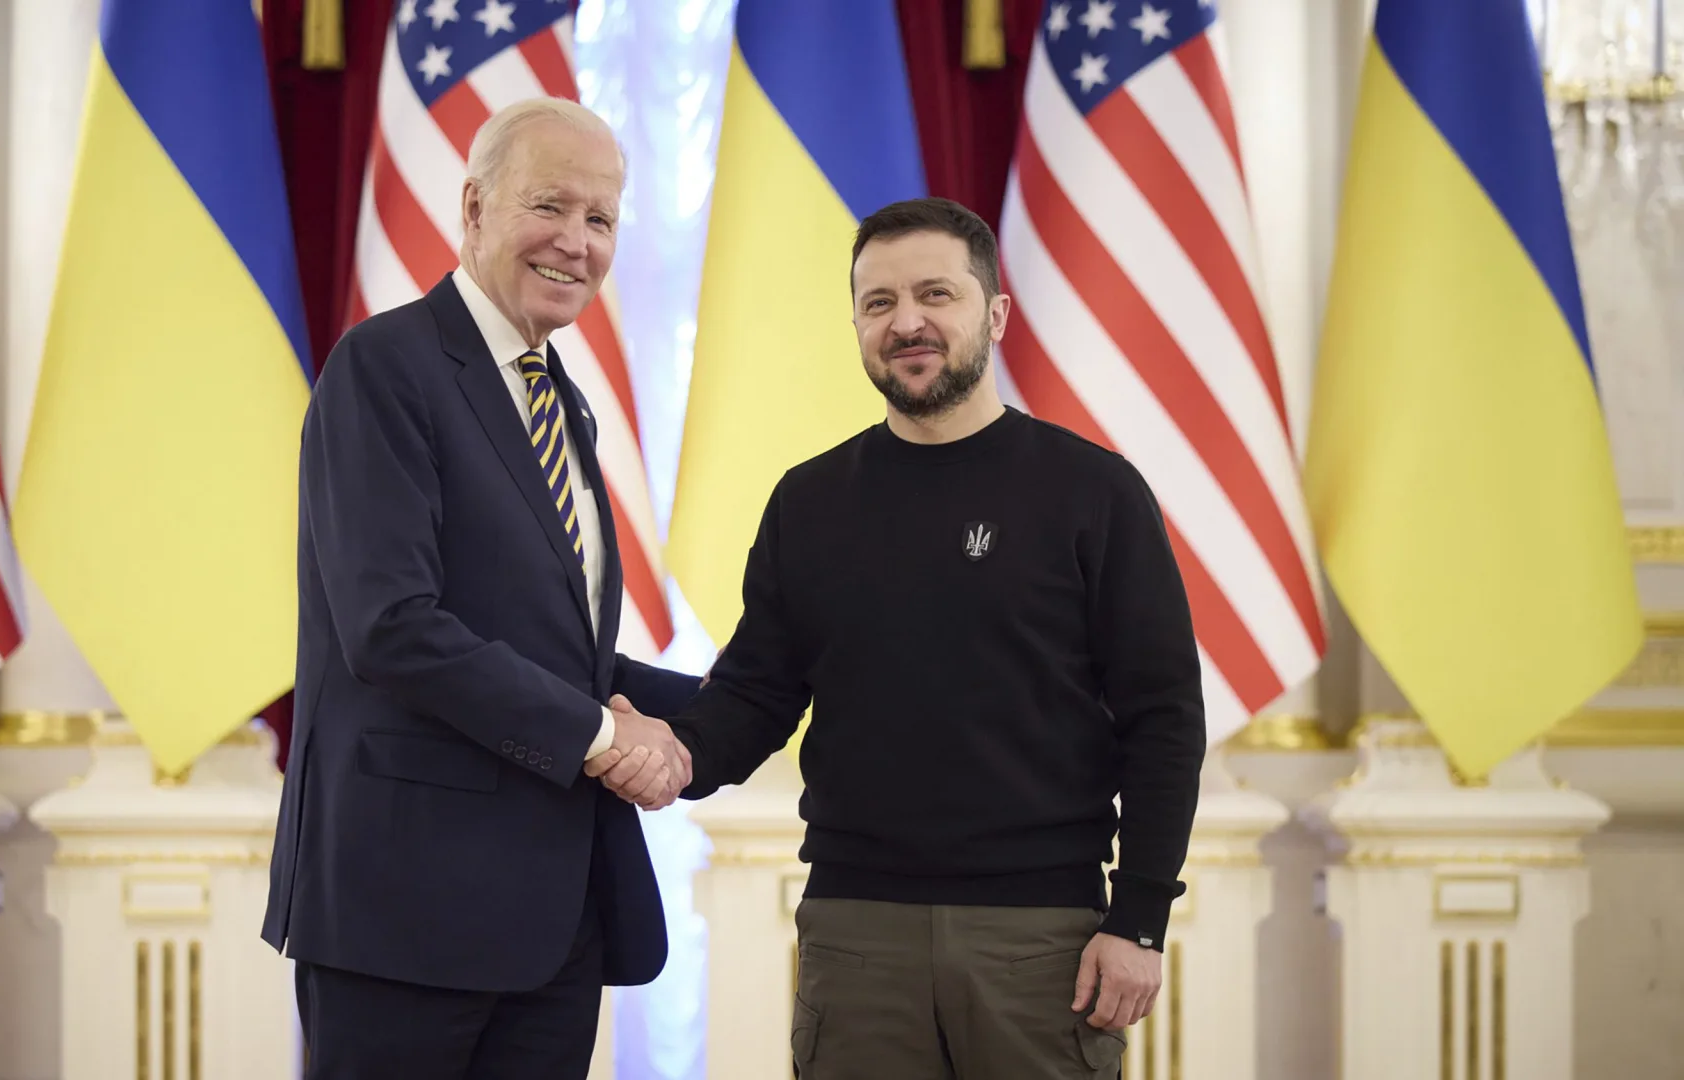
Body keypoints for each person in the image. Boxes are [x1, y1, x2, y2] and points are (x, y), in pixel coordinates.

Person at [595, 196, 1207, 1079]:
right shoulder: (809, 504)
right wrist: (673, 755)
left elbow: (1164, 719)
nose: (906, 322)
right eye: (879, 303)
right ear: (856, 323)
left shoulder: (1094, 493)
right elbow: (758, 694)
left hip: (1043, 940)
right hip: (855, 933)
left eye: (935, 295)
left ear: (993, 312)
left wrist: (1139, 917)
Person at [261, 97, 700, 1079]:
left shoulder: (564, 404)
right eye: (552, 206)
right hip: (404, 914)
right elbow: (395, 628)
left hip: (553, 921)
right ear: (473, 205)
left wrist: (761, 697)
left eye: (602, 220)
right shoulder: (385, 367)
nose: (578, 243)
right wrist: (602, 738)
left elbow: (564, 655)